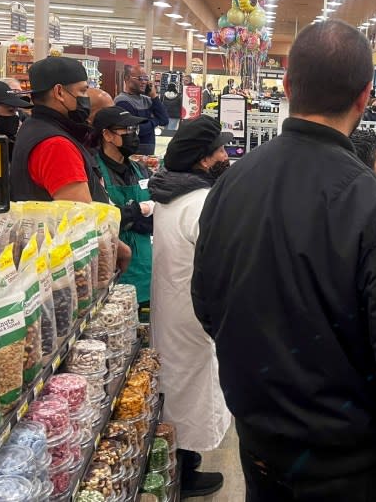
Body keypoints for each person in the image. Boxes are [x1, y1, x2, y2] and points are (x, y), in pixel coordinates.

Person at [191, 20, 376, 502]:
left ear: (287, 87)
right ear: (366, 96)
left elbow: (207, 303)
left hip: (261, 442)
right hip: (353, 463)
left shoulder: (231, 184)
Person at [148, 115, 231, 498]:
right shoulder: (200, 202)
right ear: (203, 160)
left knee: (179, 384)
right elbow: (222, 263)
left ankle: (181, 461)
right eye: (220, 150)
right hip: (193, 312)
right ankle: (181, 472)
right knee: (191, 387)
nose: (226, 155)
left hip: (174, 303)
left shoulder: (170, 193)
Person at [11, 57, 110, 204]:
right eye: (83, 91)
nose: (86, 98)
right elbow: (80, 216)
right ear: (59, 92)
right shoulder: (56, 145)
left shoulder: (33, 126)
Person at [93, 107, 154, 312]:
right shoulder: (94, 171)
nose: (134, 136)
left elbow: (155, 215)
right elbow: (102, 220)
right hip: (115, 268)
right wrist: (138, 211)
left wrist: (128, 214)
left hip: (146, 268)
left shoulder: (140, 169)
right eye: (127, 130)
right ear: (107, 135)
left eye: (135, 130)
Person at [114, 65, 168, 155]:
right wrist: (154, 122)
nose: (144, 82)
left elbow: (164, 120)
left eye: (146, 79)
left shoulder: (147, 100)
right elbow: (135, 130)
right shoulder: (122, 101)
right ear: (127, 78)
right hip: (132, 152)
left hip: (148, 151)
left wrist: (154, 96)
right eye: (140, 78)